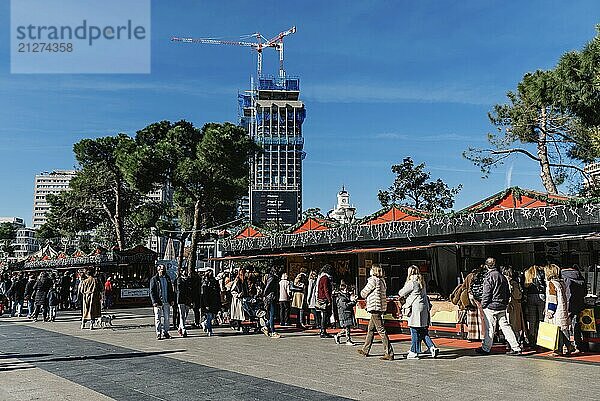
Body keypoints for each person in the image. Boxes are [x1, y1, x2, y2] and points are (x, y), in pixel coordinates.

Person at [476, 258, 522, 355]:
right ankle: (516, 347)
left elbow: (486, 293)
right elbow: (507, 292)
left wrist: (484, 305)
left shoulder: (489, 277)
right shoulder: (502, 277)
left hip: (491, 306)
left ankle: (486, 348)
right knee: (506, 327)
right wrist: (504, 303)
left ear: (486, 266)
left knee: (490, 328)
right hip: (501, 306)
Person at [399, 265, 440, 359]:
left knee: (414, 330)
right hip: (423, 308)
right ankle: (432, 347)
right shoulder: (421, 281)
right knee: (422, 331)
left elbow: (401, 293)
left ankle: (414, 351)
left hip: (415, 309)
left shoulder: (412, 282)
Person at [357, 264, 394, 360]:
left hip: (374, 307)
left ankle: (389, 352)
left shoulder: (373, 280)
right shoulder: (382, 281)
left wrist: (362, 294)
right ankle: (365, 349)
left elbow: (364, 293)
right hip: (379, 307)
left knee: (381, 330)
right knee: (371, 329)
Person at [544, 264, 573, 355]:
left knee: (558, 330)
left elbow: (553, 299)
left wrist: (550, 311)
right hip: (562, 309)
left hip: (556, 311)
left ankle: (559, 349)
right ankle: (568, 347)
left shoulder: (551, 284)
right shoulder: (560, 282)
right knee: (563, 329)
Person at [561, 264, 587, 352]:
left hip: (567, 304)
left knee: (565, 325)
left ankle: (567, 345)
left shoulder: (562, 276)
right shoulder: (580, 276)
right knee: (576, 323)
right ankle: (578, 344)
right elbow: (585, 292)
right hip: (578, 304)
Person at [149, 264, 175, 340]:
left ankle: (166, 332)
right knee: (158, 318)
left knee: (167, 318)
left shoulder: (167, 278)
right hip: (158, 302)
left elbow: (170, 290)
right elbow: (152, 291)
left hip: (166, 301)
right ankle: (158, 333)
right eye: (161, 269)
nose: (163, 270)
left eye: (164, 269)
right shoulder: (154, 279)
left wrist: (172, 299)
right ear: (158, 270)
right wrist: (154, 301)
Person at [502, 266, 525, 347]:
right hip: (513, 306)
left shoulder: (501, 283)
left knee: (508, 325)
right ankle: (515, 342)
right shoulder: (514, 283)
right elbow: (518, 296)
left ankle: (509, 342)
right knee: (515, 325)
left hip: (506, 307)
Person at [523, 264, 546, 345]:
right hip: (541, 295)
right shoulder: (541, 273)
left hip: (530, 296)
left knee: (532, 319)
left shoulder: (528, 274)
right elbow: (544, 284)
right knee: (541, 318)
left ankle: (532, 338)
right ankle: (541, 338)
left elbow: (525, 287)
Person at [465, 265, 486, 341]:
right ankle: (482, 335)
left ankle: (472, 336)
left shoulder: (469, 276)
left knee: (472, 318)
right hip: (481, 299)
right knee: (482, 318)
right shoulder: (483, 276)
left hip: (471, 297)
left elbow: (464, 287)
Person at [334, 281, 357, 346]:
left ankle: (338, 336)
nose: (347, 291)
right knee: (347, 327)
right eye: (346, 289)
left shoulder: (346, 296)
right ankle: (348, 340)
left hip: (348, 313)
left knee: (346, 328)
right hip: (343, 314)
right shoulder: (340, 297)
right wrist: (353, 302)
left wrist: (353, 300)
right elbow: (345, 306)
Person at [200, 269, 221, 336]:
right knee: (209, 316)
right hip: (208, 302)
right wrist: (206, 304)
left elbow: (218, 291)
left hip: (214, 301)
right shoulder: (205, 282)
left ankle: (205, 323)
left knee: (212, 316)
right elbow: (204, 294)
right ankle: (209, 330)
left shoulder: (215, 281)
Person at [316, 265, 334, 338]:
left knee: (324, 314)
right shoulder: (326, 278)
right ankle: (323, 331)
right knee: (325, 315)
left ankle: (322, 330)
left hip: (321, 298)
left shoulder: (321, 277)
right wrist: (329, 299)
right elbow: (326, 289)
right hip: (324, 299)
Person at [263, 267, 280, 338]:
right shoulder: (272, 277)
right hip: (271, 297)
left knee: (272, 314)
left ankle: (266, 327)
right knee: (272, 314)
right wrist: (265, 295)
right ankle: (272, 331)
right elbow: (267, 287)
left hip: (271, 297)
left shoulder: (273, 277)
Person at [175, 269, 192, 337]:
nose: (185, 272)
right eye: (183, 271)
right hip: (181, 299)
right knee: (182, 314)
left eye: (186, 271)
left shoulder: (189, 280)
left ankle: (180, 327)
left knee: (186, 314)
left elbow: (191, 290)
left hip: (187, 300)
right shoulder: (178, 280)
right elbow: (177, 290)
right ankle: (184, 329)